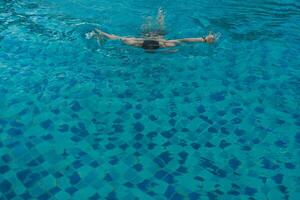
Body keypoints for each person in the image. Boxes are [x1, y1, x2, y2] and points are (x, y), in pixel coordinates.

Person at [86, 8, 218, 52]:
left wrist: (102, 33)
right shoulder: (165, 44)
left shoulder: (136, 42)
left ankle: (152, 15)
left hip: (151, 34)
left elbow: (116, 37)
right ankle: (160, 12)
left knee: (149, 24)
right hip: (161, 34)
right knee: (159, 23)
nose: (152, 36)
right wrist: (203, 39)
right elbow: (184, 40)